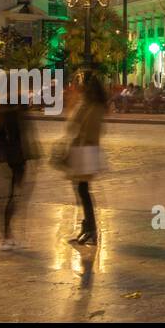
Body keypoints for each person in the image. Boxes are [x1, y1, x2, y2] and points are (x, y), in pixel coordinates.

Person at [0, 99, 37, 250]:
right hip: (11, 160)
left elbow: (25, 138)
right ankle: (4, 235)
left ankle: (7, 234)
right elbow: (9, 138)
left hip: (15, 160)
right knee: (8, 197)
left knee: (12, 197)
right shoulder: (9, 113)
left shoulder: (12, 111)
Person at [62, 74, 108, 247]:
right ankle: (87, 226)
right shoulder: (90, 104)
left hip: (85, 151)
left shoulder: (92, 106)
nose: (79, 86)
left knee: (82, 190)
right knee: (81, 189)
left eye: (81, 83)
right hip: (84, 149)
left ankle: (91, 228)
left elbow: (79, 127)